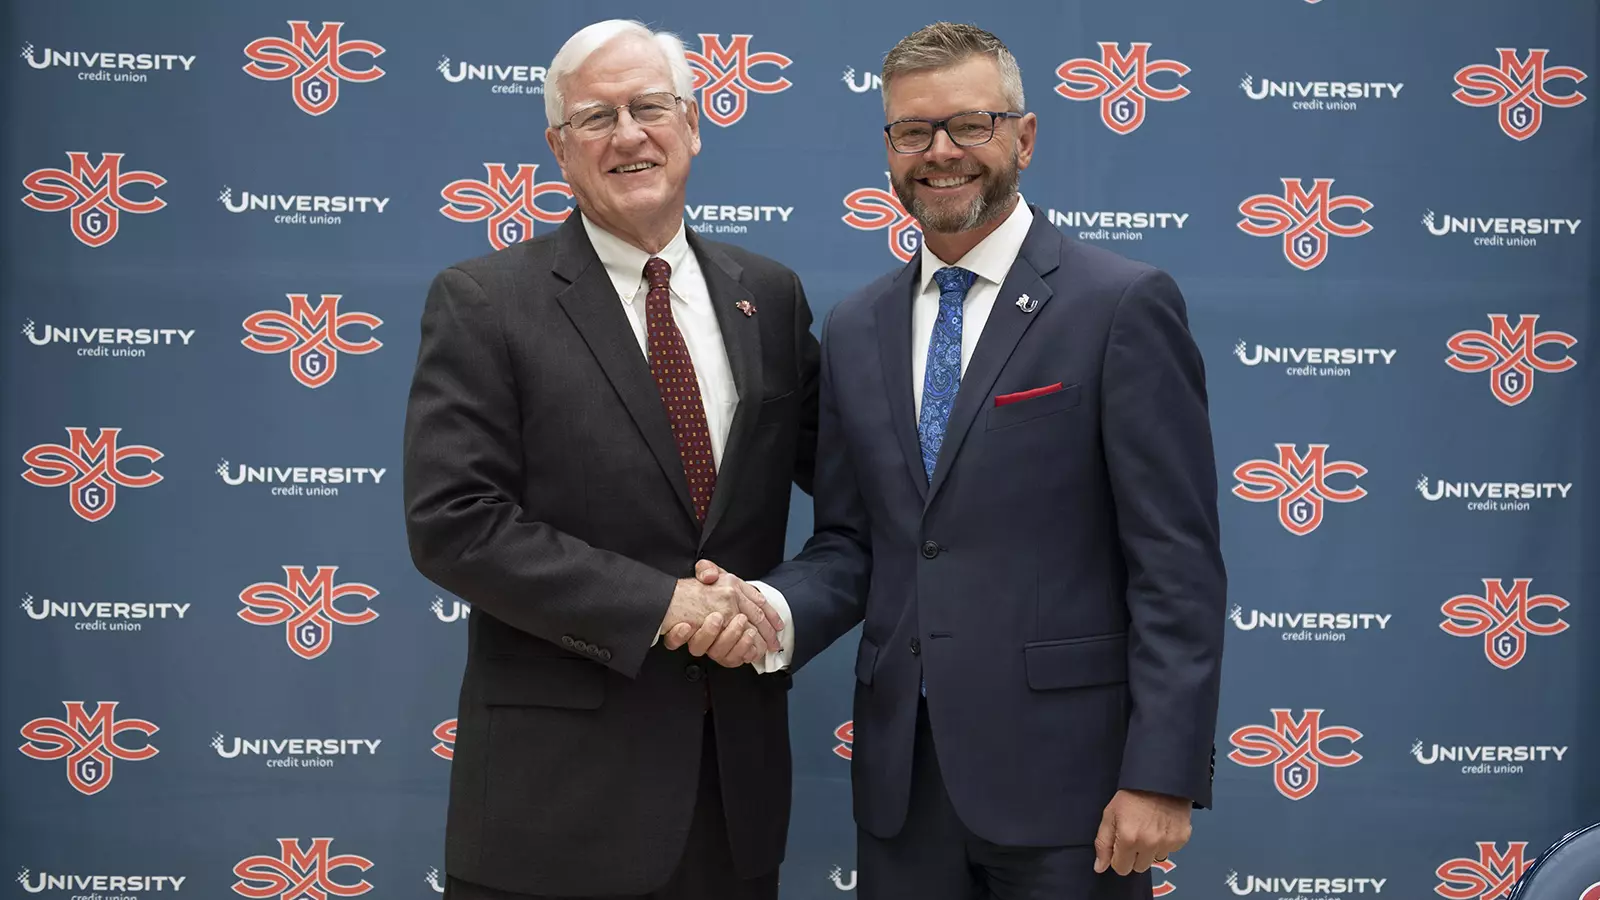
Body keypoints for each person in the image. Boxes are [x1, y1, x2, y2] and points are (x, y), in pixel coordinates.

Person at [679, 21, 1227, 900]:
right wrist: (769, 611)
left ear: (1024, 136)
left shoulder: (1119, 305)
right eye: (912, 132)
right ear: (888, 149)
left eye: (970, 124)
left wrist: (1160, 772)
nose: (941, 153)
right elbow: (858, 539)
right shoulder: (857, 327)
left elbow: (1176, 563)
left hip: (1073, 790)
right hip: (903, 791)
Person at [402, 18, 820, 900]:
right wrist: (661, 604)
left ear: (694, 126)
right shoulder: (484, 302)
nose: (629, 134)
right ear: (560, 149)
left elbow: (856, 506)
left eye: (650, 108)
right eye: (596, 118)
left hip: (729, 802)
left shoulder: (770, 298)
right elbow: (454, 525)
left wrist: (775, 611)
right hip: (551, 814)